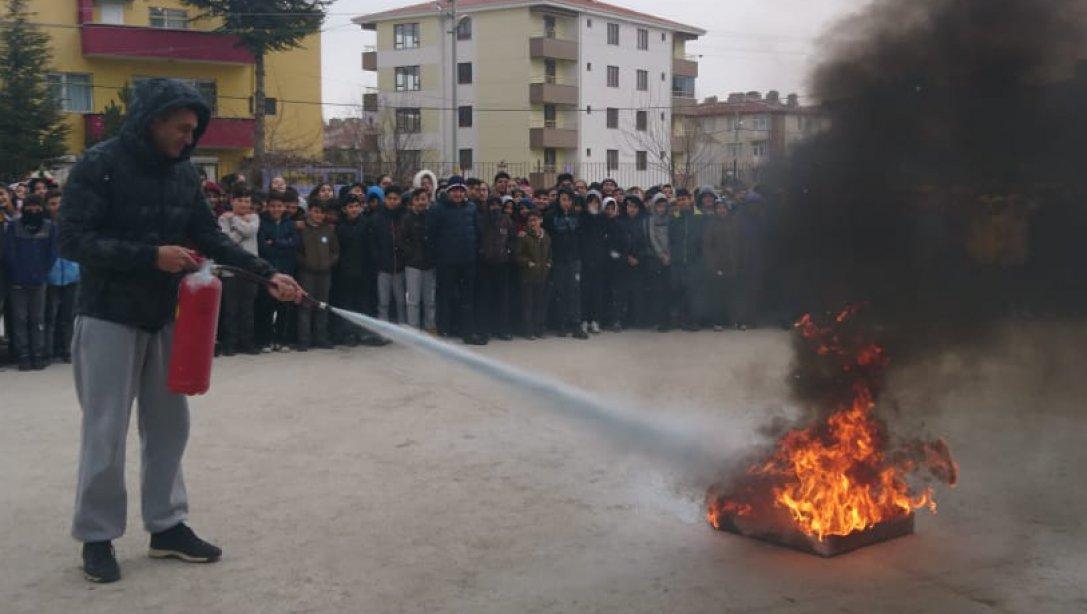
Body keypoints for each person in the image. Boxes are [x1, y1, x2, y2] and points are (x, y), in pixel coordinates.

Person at [58, 78, 303, 584]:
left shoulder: (184, 176)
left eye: (196, 130)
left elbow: (208, 235)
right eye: (182, 128)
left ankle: (167, 526)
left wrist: (265, 274)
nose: (190, 139)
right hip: (106, 315)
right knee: (105, 430)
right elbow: (74, 240)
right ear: (153, 120)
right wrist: (152, 256)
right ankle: (97, 535)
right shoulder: (98, 165)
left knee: (170, 425)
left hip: (165, 315)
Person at [427, 175, 486, 345]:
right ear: (448, 192)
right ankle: (445, 329)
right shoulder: (438, 209)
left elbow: (477, 232)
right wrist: (436, 256)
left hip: (468, 261)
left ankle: (467, 332)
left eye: (461, 191)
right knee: (446, 297)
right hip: (446, 262)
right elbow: (431, 236)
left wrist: (477, 252)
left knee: (467, 298)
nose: (458, 194)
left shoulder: (471, 208)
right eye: (454, 191)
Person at [4, 193, 56, 370]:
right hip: (18, 281)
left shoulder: (49, 227)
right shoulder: (14, 226)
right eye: (29, 207)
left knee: (38, 319)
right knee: (20, 319)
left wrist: (42, 272)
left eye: (37, 208)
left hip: (39, 281)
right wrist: (18, 273)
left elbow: (52, 254)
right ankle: (24, 355)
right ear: (23, 208)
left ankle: (38, 354)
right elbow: (9, 253)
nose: (33, 211)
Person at [217, 185, 261, 355]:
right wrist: (241, 227)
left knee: (248, 308)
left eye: (247, 201)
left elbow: (251, 230)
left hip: (251, 269)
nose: (244, 204)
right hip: (230, 269)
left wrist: (235, 220)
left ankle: (247, 343)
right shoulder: (222, 218)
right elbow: (227, 241)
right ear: (232, 201)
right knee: (231, 309)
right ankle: (230, 344)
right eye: (240, 201)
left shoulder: (255, 217)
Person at [257, 190, 300, 351]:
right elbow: (263, 247)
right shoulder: (261, 222)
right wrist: (283, 244)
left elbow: (294, 243)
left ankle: (282, 340)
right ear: (267, 207)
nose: (276, 209)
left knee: (285, 307)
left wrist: (275, 242)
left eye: (279, 206)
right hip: (267, 271)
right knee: (266, 307)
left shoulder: (289, 222)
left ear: (284, 207)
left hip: (286, 269)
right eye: (272, 206)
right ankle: (265, 340)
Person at [296, 201, 339, 351]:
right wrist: (306, 263)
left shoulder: (329, 230)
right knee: (306, 306)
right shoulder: (302, 229)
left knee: (322, 305)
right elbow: (297, 251)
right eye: (316, 211)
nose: (318, 215)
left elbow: (335, 251)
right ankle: (304, 340)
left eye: (321, 212)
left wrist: (329, 263)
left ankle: (321, 337)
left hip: (325, 274)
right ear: (309, 212)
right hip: (307, 273)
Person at [544, 188, 587, 339]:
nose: (566, 203)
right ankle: (561, 325)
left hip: (574, 260)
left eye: (569, 200)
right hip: (558, 260)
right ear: (558, 200)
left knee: (574, 292)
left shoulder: (578, 217)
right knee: (560, 292)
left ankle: (576, 325)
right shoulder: (550, 216)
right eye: (563, 199)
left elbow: (581, 237)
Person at [44, 189, 79, 362]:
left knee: (68, 316)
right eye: (52, 204)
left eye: (59, 203)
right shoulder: (43, 225)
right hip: (51, 276)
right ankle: (48, 351)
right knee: (50, 316)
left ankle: (67, 349)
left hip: (72, 275)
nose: (57, 207)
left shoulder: (73, 223)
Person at [702, 198, 744, 330]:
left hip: (733, 265)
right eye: (719, 208)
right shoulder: (711, 225)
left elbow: (740, 244)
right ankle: (718, 322)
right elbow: (707, 247)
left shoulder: (735, 223)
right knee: (718, 296)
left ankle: (735, 321)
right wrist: (714, 267)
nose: (721, 210)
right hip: (718, 267)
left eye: (724, 208)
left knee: (734, 295)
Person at [479, 195, 516, 341]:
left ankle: (502, 329)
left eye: (497, 205)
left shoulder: (506, 221)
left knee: (502, 299)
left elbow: (513, 240)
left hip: (502, 264)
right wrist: (482, 252)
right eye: (492, 205)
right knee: (486, 299)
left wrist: (508, 252)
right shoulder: (482, 220)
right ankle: (486, 329)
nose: (495, 207)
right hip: (486, 265)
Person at [401, 188, 437, 332]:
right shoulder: (407, 218)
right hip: (413, 265)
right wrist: (410, 255)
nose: (421, 202)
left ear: (428, 200)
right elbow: (402, 240)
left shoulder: (432, 217)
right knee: (413, 300)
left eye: (424, 199)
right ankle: (413, 328)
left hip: (429, 264)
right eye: (418, 199)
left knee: (430, 299)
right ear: (413, 202)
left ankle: (430, 325)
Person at [667, 188, 703, 331]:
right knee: (679, 291)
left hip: (694, 261)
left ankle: (693, 321)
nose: (682, 202)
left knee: (693, 292)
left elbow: (702, 240)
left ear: (690, 199)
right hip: (678, 262)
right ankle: (681, 320)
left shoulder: (699, 216)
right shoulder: (674, 217)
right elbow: (670, 239)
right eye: (680, 200)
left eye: (684, 199)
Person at [371, 185, 407, 323]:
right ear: (385, 199)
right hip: (383, 267)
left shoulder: (404, 216)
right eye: (389, 198)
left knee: (401, 301)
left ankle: (403, 327)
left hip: (400, 267)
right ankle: (383, 329)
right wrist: (378, 259)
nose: (392, 201)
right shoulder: (377, 218)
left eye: (395, 199)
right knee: (383, 301)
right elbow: (373, 242)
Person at [517, 211, 551, 339]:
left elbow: (550, 254)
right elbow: (518, 254)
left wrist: (549, 263)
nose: (533, 223)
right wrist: (528, 262)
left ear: (540, 220)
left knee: (540, 303)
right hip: (528, 275)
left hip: (542, 275)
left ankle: (539, 328)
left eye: (535, 220)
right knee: (528, 304)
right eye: (530, 220)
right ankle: (528, 330)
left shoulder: (546, 236)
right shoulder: (524, 236)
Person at [579, 190, 607, 335]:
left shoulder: (602, 218)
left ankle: (595, 320)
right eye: (591, 202)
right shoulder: (582, 217)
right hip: (585, 260)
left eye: (596, 202)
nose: (593, 205)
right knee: (585, 292)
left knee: (597, 292)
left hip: (599, 261)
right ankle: (584, 320)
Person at [646, 193, 672, 331]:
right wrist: (661, 254)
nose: (661, 208)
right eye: (658, 205)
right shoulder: (651, 220)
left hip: (670, 258)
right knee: (658, 291)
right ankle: (659, 320)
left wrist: (669, 254)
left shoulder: (670, 218)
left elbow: (673, 236)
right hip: (657, 258)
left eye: (663, 205)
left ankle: (668, 320)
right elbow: (652, 238)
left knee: (668, 290)